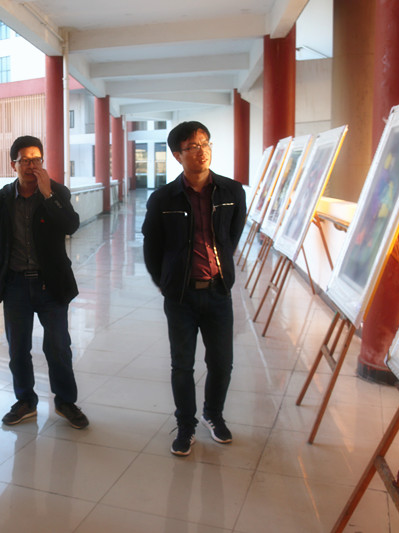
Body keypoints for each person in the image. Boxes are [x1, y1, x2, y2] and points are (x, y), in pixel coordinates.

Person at [142, 121, 246, 456]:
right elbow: (151, 246)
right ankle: (185, 424)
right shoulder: (163, 198)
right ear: (177, 155)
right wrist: (166, 283)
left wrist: (221, 269)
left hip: (218, 292)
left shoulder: (232, 192)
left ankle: (213, 414)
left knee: (222, 362)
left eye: (205, 143)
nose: (201, 151)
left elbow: (231, 237)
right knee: (182, 365)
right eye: (192, 146)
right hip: (181, 296)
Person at [0, 135, 88, 430]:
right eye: (25, 160)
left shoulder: (56, 192)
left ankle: (66, 402)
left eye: (37, 160)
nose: (32, 166)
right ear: (13, 164)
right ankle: (25, 401)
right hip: (15, 284)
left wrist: (48, 195)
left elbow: (71, 226)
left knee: (58, 347)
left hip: (50, 284)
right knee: (18, 349)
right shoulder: (1, 199)